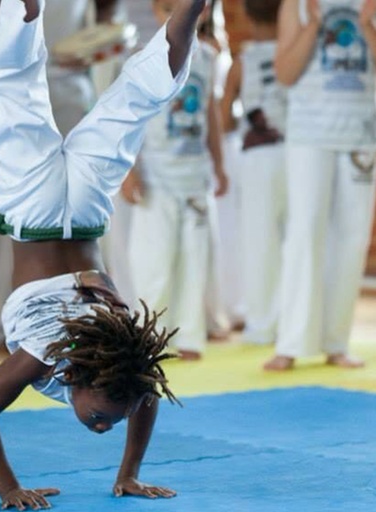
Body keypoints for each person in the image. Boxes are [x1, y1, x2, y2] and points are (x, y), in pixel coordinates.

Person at [0, 0, 204, 508]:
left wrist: (130, 469)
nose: (104, 426)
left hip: (87, 206)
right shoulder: (47, 354)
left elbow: (145, 394)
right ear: (80, 377)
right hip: (37, 205)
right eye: (104, 418)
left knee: (135, 98)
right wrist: (9, 489)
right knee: (15, 80)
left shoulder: (123, 364)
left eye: (105, 419)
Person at [0, 0, 104, 355]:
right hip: (7, 60)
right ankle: (11, 326)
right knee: (8, 202)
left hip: (68, 61)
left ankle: (86, 322)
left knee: (81, 194)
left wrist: (100, 34)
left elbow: (109, 5)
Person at [263, 0, 376, 371]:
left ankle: (336, 341)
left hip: (360, 135)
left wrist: (371, 26)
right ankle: (290, 342)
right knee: (305, 233)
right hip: (310, 134)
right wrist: (312, 26)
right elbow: (285, 73)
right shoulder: (297, 4)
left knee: (352, 239)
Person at [120, 0, 228, 361]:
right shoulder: (143, 57)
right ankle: (149, 338)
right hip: (156, 176)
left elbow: (211, 115)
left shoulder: (209, 57)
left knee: (195, 259)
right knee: (154, 262)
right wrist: (128, 169)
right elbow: (128, 117)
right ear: (154, 10)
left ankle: (190, 336)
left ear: (205, 10)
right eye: (168, 5)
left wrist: (220, 164)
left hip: (195, 175)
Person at [219, 0, 286, 345]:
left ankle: (261, 324)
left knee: (260, 242)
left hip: (258, 159)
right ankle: (293, 320)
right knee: (296, 241)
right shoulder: (295, 53)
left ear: (245, 14)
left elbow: (225, 116)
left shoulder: (242, 62)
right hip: (295, 154)